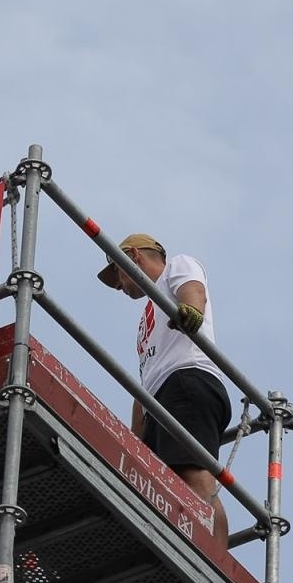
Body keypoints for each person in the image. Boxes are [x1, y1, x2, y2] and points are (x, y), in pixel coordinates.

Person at [97, 233, 230, 546]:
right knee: (166, 486)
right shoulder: (146, 320)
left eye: (117, 271)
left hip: (187, 380)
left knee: (193, 475)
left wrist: (192, 310)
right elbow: (145, 380)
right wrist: (135, 439)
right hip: (163, 394)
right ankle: (193, 550)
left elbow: (193, 289)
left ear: (134, 256)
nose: (118, 284)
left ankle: (219, 563)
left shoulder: (177, 267)